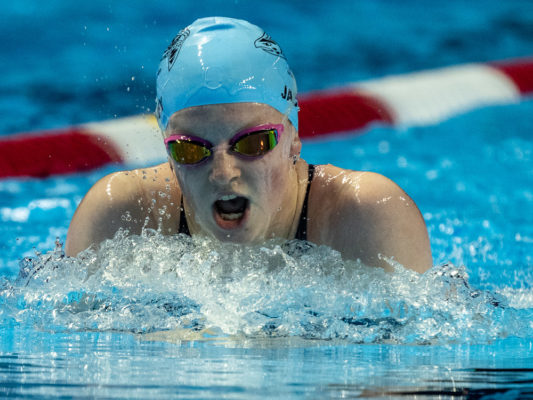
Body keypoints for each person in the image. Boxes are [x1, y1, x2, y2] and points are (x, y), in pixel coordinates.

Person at [65, 17, 432, 273]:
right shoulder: (119, 218)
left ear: (293, 137)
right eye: (191, 148)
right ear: (167, 151)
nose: (223, 173)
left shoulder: (364, 216)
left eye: (253, 142)